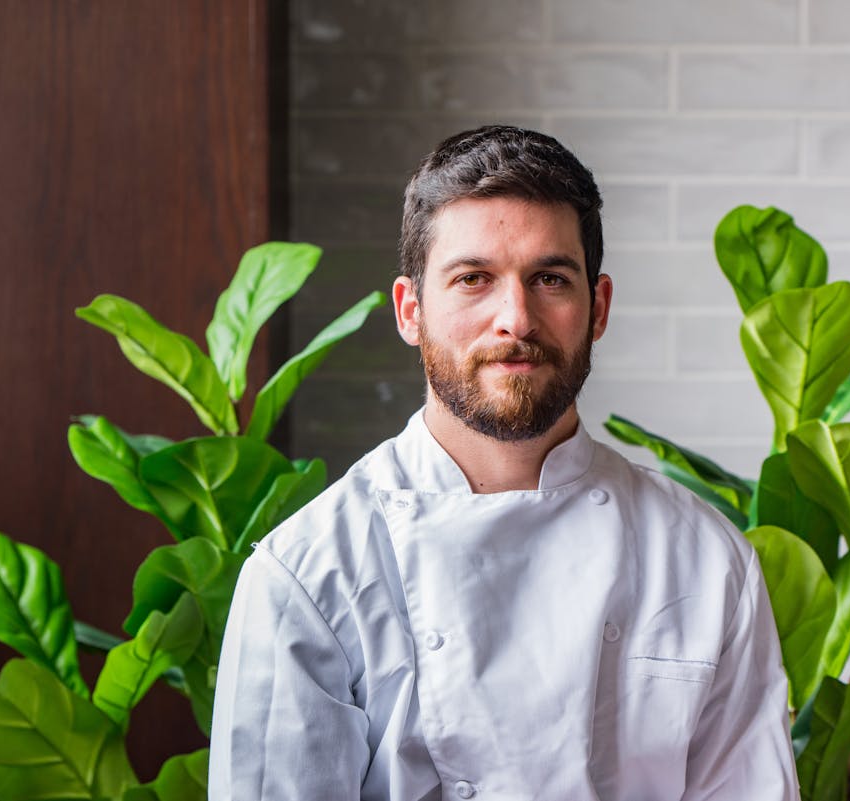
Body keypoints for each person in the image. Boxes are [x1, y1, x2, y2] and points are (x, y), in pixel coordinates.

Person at [209, 125, 799, 801]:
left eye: (549, 278)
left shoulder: (705, 560)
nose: (515, 318)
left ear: (598, 308)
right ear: (411, 310)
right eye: (473, 279)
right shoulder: (309, 577)